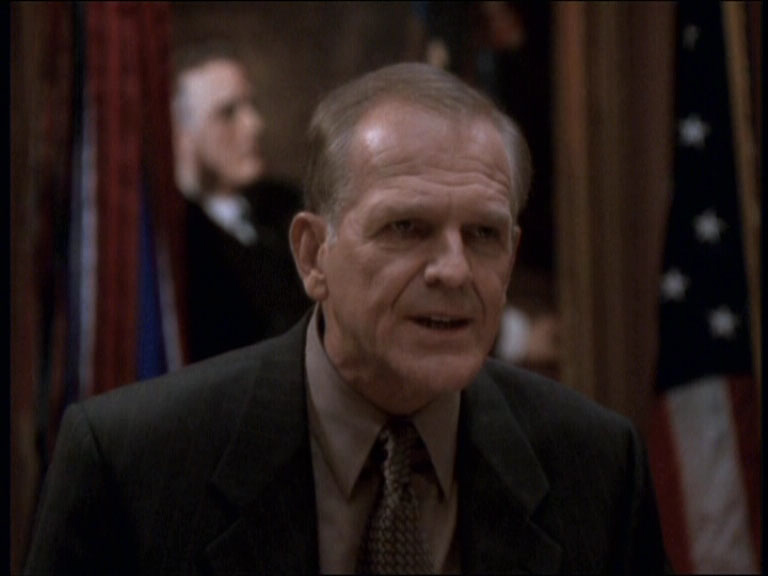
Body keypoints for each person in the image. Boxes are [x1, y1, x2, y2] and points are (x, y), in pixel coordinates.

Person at [24, 62, 667, 574]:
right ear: (312, 255)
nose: (454, 271)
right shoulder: (132, 466)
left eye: (483, 235)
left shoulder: (597, 467)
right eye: (406, 227)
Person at [172, 45, 310, 361]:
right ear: (182, 132)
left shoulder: (291, 206)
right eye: (227, 113)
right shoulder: (175, 243)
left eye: (250, 105)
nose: (253, 124)